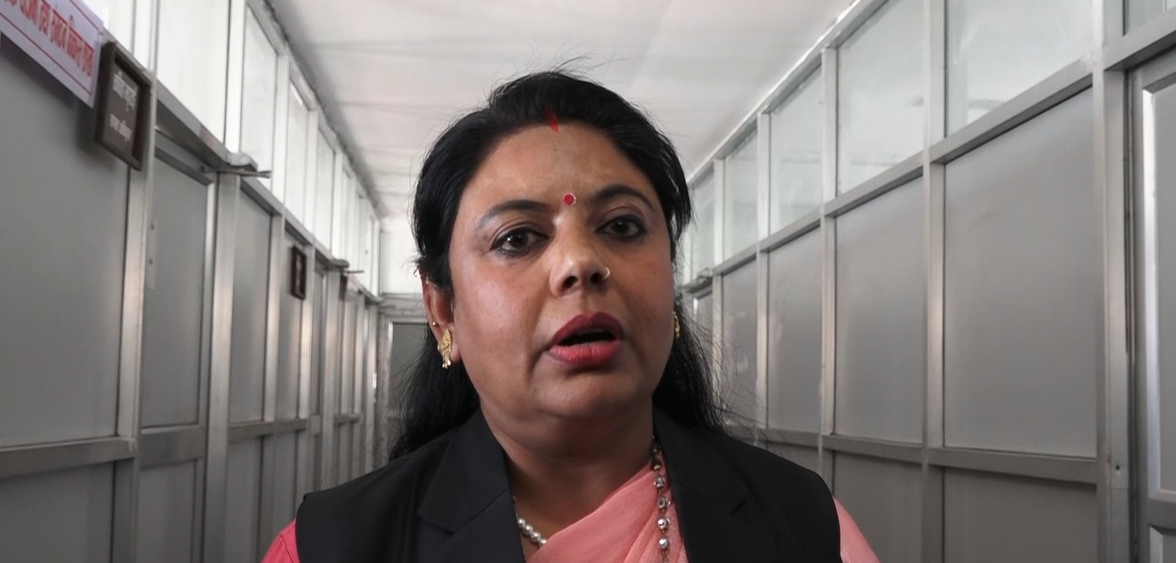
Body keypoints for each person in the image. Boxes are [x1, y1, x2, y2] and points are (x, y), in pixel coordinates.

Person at [262, 70, 877, 563]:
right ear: (443, 310)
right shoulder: (331, 546)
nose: (581, 263)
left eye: (622, 226)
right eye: (517, 238)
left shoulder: (806, 525)